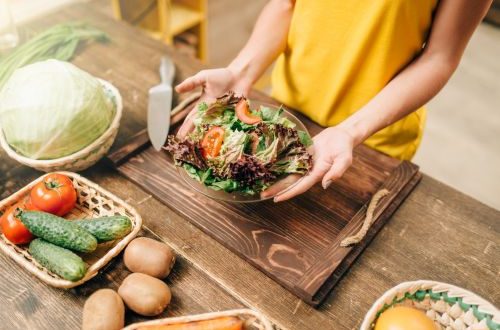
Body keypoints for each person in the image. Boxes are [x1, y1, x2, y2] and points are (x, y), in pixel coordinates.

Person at [175, 0, 492, 202]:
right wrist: (240, 72)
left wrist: (350, 132)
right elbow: (287, 5)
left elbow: (440, 57)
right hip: (287, 112)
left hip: (372, 139)